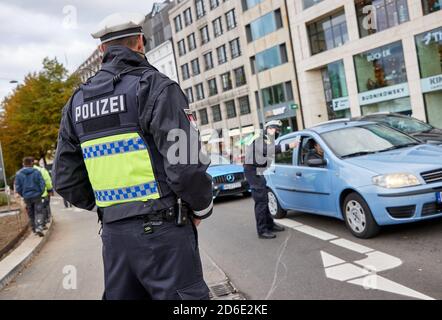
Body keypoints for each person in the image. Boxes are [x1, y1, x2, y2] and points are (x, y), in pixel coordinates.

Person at [52, 12, 213, 300]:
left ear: (103, 51)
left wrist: (111, 209)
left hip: (114, 237)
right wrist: (200, 206)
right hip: (164, 232)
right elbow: (186, 162)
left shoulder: (75, 103)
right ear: (140, 42)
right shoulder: (155, 86)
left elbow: (64, 180)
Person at [244, 120, 298, 239]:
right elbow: (269, 150)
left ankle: (270, 224)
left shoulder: (265, 139)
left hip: (257, 171)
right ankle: (262, 230)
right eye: (274, 129)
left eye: (278, 130)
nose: (276, 132)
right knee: (261, 202)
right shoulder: (259, 139)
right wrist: (289, 145)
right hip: (253, 171)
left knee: (265, 199)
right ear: (268, 129)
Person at [15, 157, 46, 237]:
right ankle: (39, 227)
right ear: (31, 163)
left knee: (31, 213)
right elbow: (42, 183)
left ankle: (34, 229)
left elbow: (18, 187)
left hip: (26, 196)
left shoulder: (18, 174)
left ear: (23, 164)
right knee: (39, 211)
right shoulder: (36, 172)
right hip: (37, 195)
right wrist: (40, 192)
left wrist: (23, 194)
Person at [33, 160, 54, 228]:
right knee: (44, 207)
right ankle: (45, 220)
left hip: (31, 195)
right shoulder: (42, 170)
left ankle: (36, 226)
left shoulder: (23, 172)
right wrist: (50, 189)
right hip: (43, 193)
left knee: (34, 210)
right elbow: (47, 180)